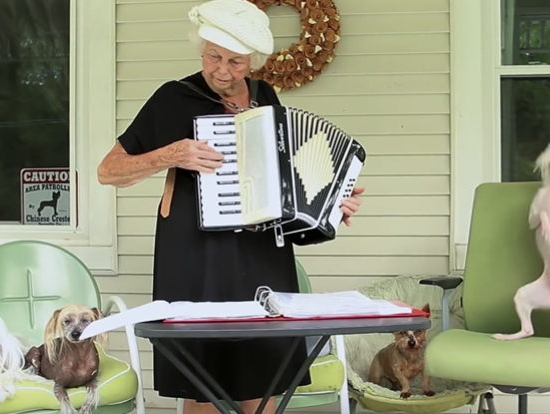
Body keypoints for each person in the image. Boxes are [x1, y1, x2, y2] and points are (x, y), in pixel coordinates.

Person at [97, 0, 364, 413]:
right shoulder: (173, 98)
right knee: (205, 384)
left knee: (265, 376)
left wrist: (330, 206)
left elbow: (285, 192)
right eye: (213, 56)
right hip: (197, 258)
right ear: (200, 47)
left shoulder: (266, 97)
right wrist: (171, 155)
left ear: (253, 61)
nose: (222, 70)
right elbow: (109, 171)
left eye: (236, 62)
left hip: (262, 257)